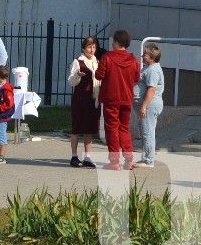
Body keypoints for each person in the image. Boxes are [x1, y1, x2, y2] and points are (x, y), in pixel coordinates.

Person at [95, 29, 140, 171]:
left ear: (115, 42)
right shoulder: (133, 60)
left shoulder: (107, 57)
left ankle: (114, 162)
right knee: (124, 128)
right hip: (126, 98)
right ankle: (128, 159)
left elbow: (99, 75)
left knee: (112, 128)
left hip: (111, 98)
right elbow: (137, 78)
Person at [67, 36, 101, 167]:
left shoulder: (96, 61)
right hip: (81, 98)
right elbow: (71, 80)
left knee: (90, 128)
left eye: (93, 47)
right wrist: (77, 75)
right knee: (76, 127)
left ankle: (87, 157)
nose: (91, 50)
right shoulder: (78, 61)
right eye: (89, 47)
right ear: (83, 48)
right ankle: (74, 156)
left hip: (93, 99)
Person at [134, 43, 165, 169]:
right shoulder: (149, 67)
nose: (142, 56)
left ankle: (148, 160)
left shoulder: (152, 70)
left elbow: (151, 90)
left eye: (145, 54)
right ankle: (146, 157)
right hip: (147, 105)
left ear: (152, 58)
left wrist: (144, 106)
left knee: (148, 132)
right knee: (146, 131)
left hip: (150, 105)